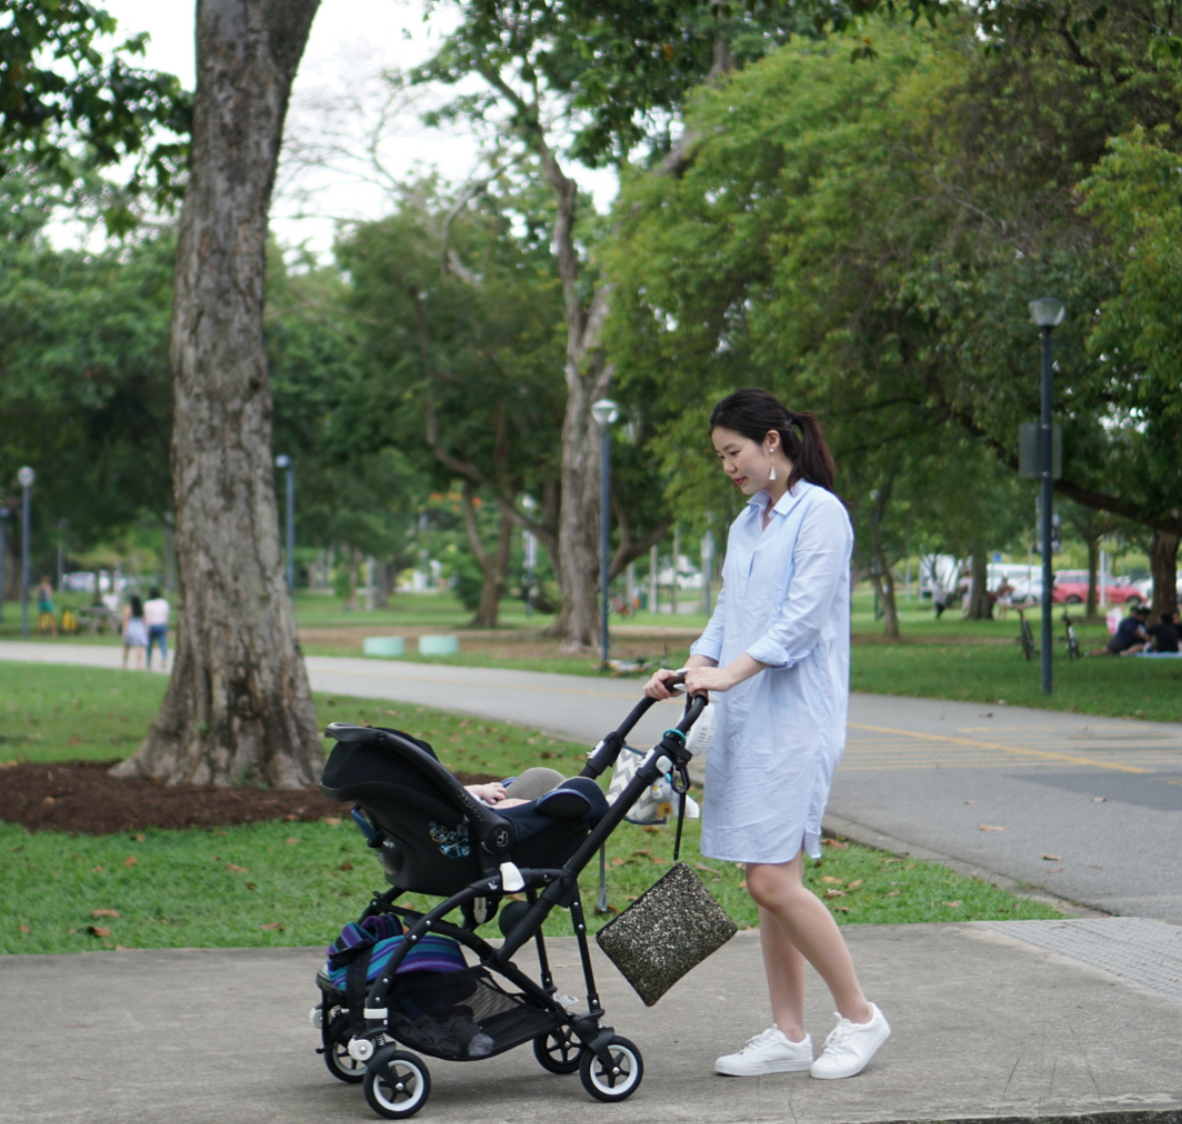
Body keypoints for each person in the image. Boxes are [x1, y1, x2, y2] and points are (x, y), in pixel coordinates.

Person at [644, 388, 889, 1082]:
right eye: (721, 457)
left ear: (773, 444)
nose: (729, 467)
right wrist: (694, 667)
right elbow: (728, 614)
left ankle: (862, 1017)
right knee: (767, 880)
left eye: (734, 452)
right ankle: (788, 1033)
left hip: (797, 719)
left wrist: (731, 674)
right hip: (746, 719)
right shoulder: (747, 524)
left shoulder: (822, 515)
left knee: (771, 881)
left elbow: (801, 620)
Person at [143, 587, 170, 669]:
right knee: (163, 644)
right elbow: (166, 615)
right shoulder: (164, 603)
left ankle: (148, 661)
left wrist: (146, 628)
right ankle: (164, 659)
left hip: (152, 625)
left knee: (149, 645)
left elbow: (146, 617)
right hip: (161, 624)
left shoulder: (148, 604)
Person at [121, 594, 148, 670]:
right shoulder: (141, 609)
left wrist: (124, 631)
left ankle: (124, 664)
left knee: (127, 646)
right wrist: (145, 630)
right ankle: (138, 665)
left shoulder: (129, 609)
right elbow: (144, 620)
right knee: (138, 647)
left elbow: (125, 620)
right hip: (139, 628)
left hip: (131, 627)